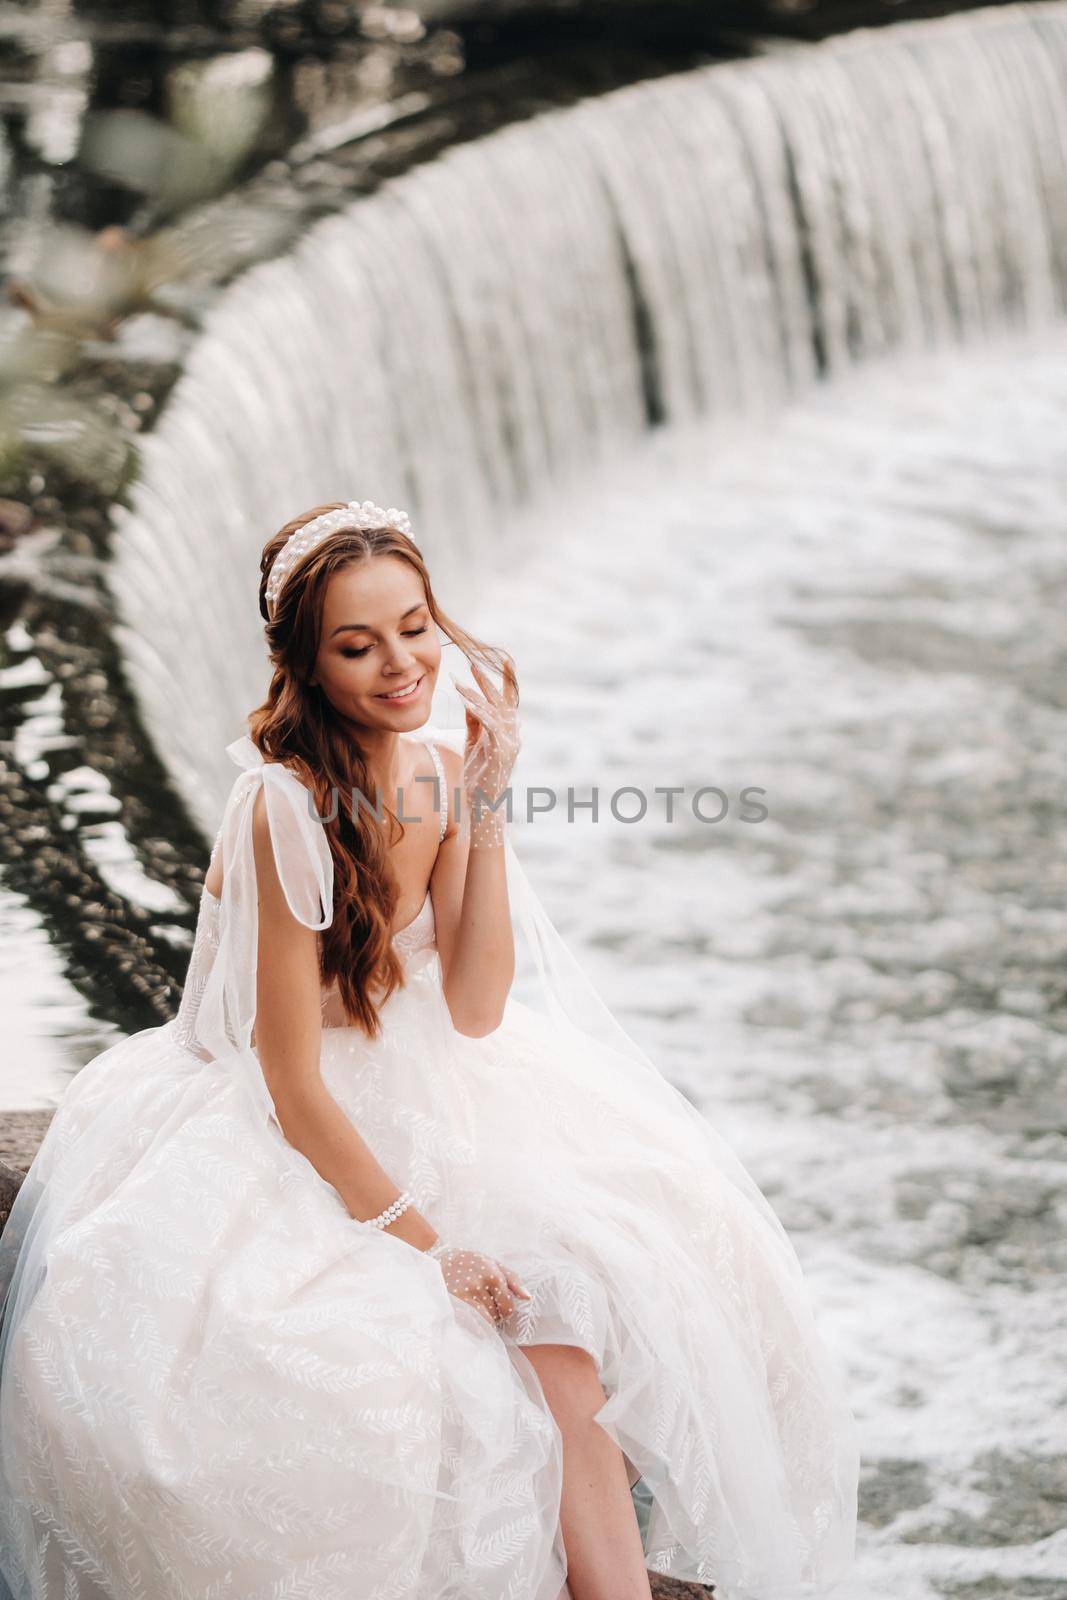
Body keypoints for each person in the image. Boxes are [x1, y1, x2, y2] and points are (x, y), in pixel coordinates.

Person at [0, 499, 860, 1600]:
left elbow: (475, 1003)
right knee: (433, 1343)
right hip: (288, 1118)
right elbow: (290, 1081)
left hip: (424, 1073)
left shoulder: (440, 762)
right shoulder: (281, 807)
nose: (401, 663)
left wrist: (486, 798)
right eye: (357, 646)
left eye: (415, 627)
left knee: (585, 1293)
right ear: (305, 664)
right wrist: (422, 1242)